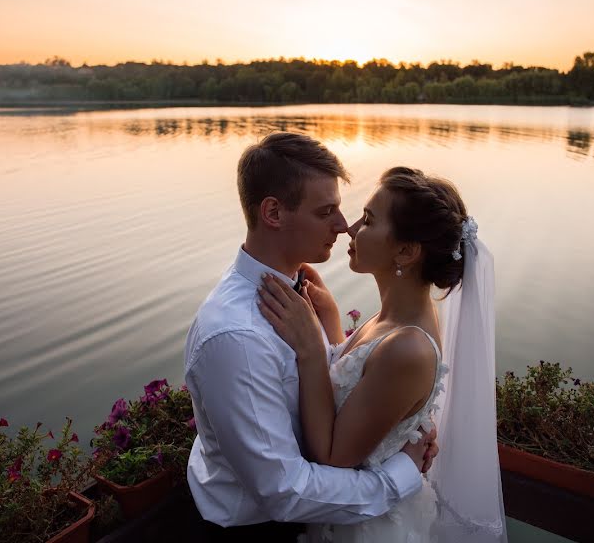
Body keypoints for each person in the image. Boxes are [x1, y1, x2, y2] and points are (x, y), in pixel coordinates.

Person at [183, 133, 438, 542]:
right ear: (273, 213)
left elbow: (329, 387)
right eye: (326, 212)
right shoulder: (236, 339)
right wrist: (401, 472)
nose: (343, 225)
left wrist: (399, 423)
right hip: (258, 528)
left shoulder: (298, 297)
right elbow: (284, 491)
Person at [258, 166, 507, 542]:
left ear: (405, 251)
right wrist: (330, 325)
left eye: (369, 221)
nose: (350, 228)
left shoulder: (408, 347)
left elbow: (333, 456)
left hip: (365, 529)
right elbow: (363, 386)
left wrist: (311, 348)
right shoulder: (396, 317)